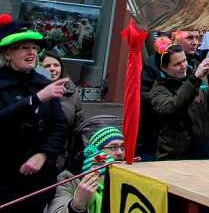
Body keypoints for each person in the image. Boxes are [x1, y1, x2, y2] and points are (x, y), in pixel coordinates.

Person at [0, 15, 68, 212]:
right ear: (7, 53)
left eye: (34, 48)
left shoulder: (43, 83)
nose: (31, 52)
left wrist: (43, 154)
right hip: (5, 180)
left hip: (39, 183)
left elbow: (60, 126)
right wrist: (34, 100)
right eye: (24, 47)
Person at [150, 45, 209, 160]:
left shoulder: (197, 78)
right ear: (163, 67)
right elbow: (173, 108)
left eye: (184, 60)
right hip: (176, 157)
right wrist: (195, 79)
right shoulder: (158, 90)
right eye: (177, 64)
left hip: (205, 150)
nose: (183, 66)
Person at [46, 127, 124, 213]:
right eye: (113, 147)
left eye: (122, 147)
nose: (120, 152)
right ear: (95, 153)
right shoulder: (69, 180)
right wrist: (76, 206)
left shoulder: (127, 176)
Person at [40, 52, 83, 172]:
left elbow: (78, 128)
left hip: (61, 160)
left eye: (56, 65)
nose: (53, 69)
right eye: (47, 66)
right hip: (35, 157)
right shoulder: (33, 92)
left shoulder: (72, 94)